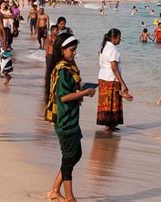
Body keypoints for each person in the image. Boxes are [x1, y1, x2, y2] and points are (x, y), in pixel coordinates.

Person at [44, 33, 96, 201]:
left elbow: (69, 93)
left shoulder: (68, 66)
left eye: (75, 50)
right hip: (65, 120)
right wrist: (85, 92)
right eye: (72, 50)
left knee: (75, 155)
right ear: (62, 50)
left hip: (72, 118)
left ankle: (54, 190)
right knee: (68, 158)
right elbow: (63, 97)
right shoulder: (62, 70)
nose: (74, 53)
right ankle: (69, 197)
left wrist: (80, 93)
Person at [97, 29, 132, 132]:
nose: (120, 39)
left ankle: (109, 125)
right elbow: (114, 68)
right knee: (112, 102)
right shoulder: (113, 50)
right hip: (111, 79)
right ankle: (109, 126)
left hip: (103, 78)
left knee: (106, 102)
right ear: (114, 37)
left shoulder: (104, 48)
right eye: (119, 37)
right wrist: (123, 83)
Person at [44, 25, 59, 104]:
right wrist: (46, 53)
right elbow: (48, 44)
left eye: (57, 30)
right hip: (50, 56)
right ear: (52, 31)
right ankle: (47, 89)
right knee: (48, 73)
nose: (57, 32)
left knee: (55, 73)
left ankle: (53, 89)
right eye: (55, 30)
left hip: (56, 56)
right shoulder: (50, 37)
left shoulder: (58, 38)